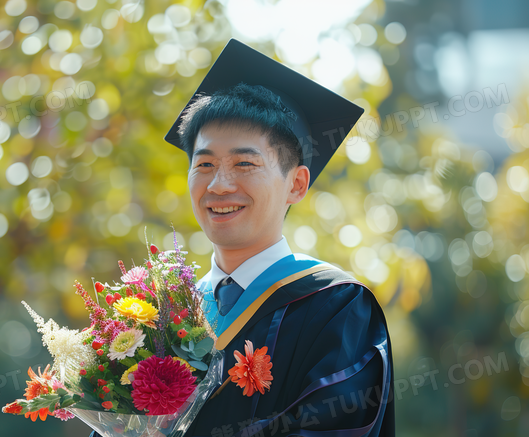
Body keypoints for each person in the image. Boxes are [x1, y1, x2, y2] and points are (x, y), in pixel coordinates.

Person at [91, 38, 395, 437]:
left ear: (297, 185)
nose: (219, 185)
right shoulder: (161, 320)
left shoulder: (338, 306)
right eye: (205, 164)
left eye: (245, 163)